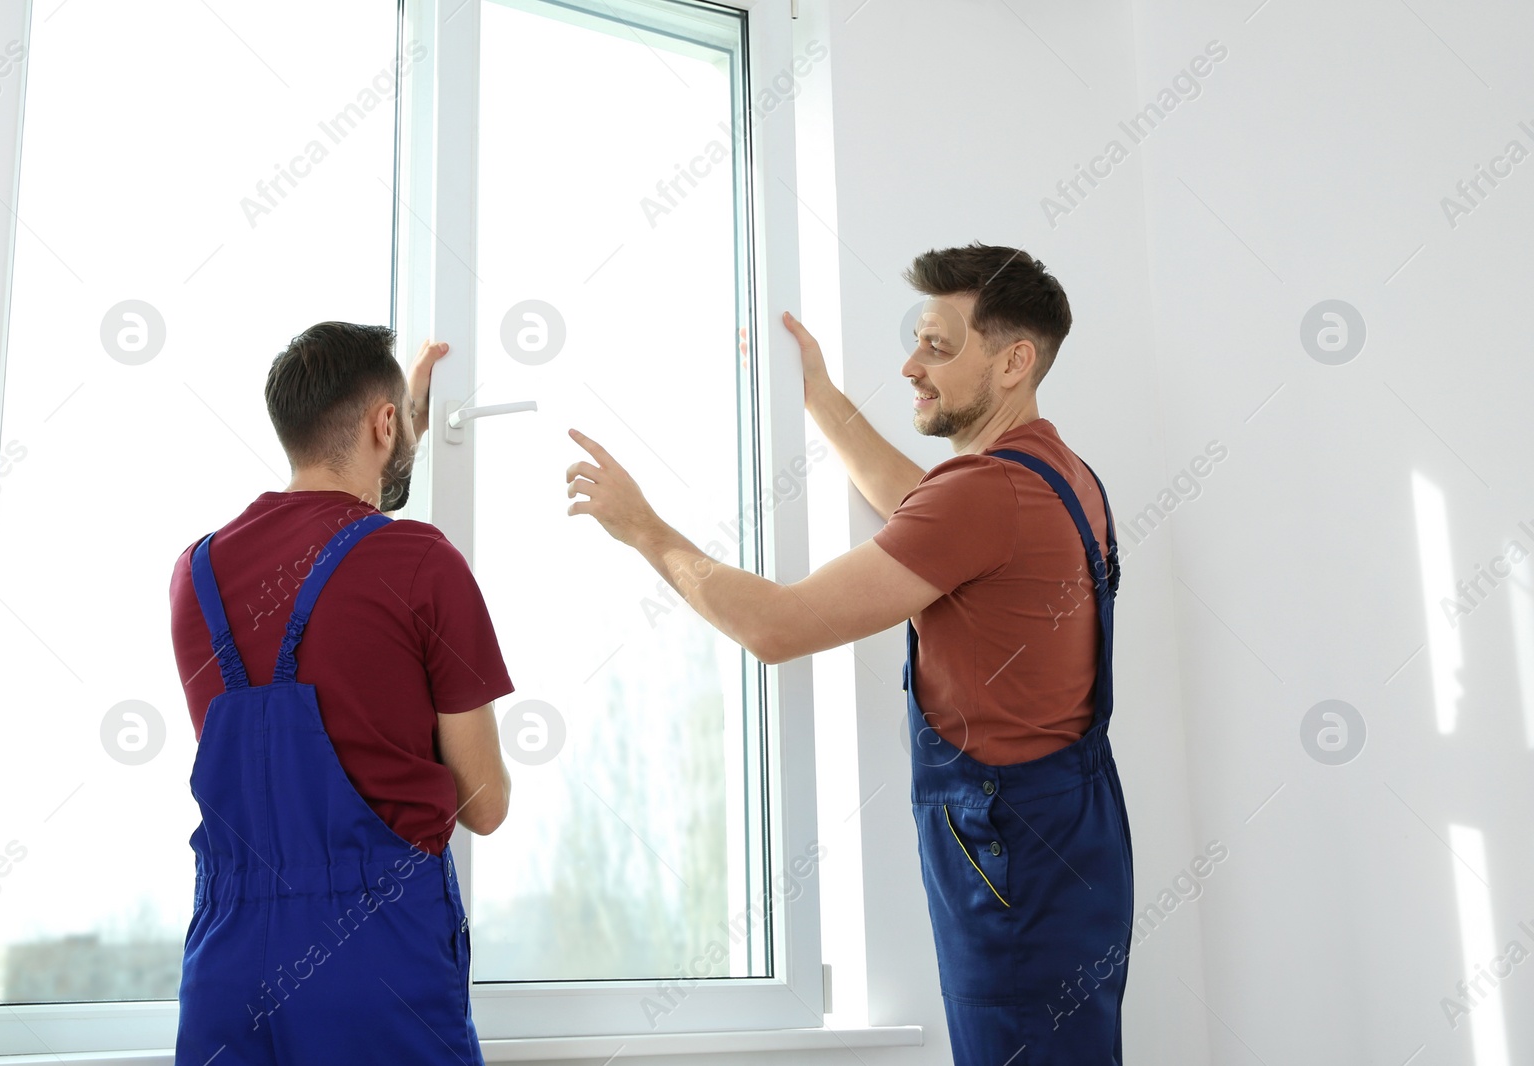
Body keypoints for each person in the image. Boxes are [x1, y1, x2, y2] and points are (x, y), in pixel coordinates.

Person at [565, 243, 1133, 1063]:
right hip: (1078, 839)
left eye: (939, 346)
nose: (910, 364)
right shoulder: (1059, 475)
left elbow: (777, 627)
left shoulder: (983, 495)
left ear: (1014, 362)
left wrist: (644, 528)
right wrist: (821, 400)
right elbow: (920, 503)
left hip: (1011, 856)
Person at [167, 322, 514, 1065]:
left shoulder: (194, 576)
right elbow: (483, 805)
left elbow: (329, 568)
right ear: (385, 424)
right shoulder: (421, 561)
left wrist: (396, 425)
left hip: (226, 964)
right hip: (375, 956)